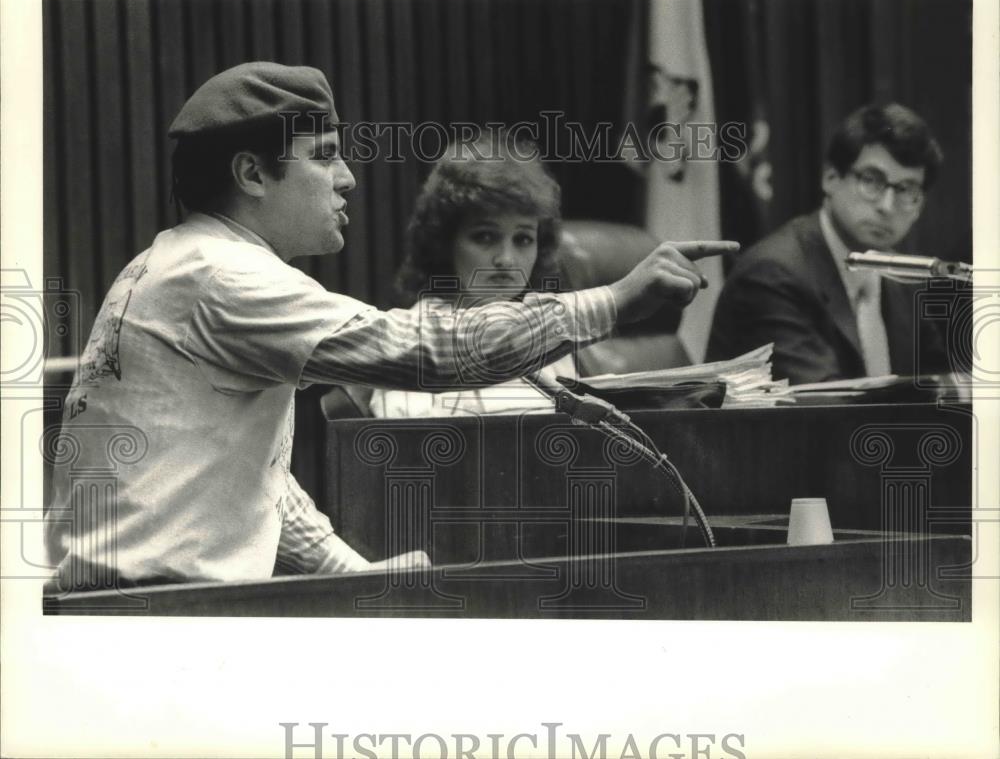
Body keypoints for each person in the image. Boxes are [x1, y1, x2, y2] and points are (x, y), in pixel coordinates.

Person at [44, 61, 737, 590]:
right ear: (253, 174)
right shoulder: (226, 277)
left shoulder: (170, 262)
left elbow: (254, 479)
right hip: (165, 617)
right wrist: (612, 301)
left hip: (134, 608)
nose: (348, 178)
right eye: (324, 156)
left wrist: (353, 572)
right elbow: (427, 350)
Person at [707, 102, 950, 384]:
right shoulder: (772, 275)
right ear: (831, 178)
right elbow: (828, 407)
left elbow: (940, 389)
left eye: (907, 190)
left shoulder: (904, 279)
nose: (887, 206)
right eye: (872, 181)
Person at [370, 130, 575, 417]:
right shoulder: (414, 336)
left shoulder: (548, 331)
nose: (506, 259)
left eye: (523, 239)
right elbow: (408, 444)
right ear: (445, 242)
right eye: (485, 237)